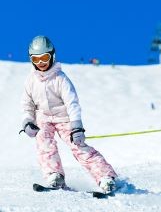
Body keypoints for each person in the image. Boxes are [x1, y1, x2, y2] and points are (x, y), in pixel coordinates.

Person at [20, 35, 118, 193]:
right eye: (36, 59)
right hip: (43, 118)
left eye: (44, 58)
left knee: (78, 146)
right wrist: (27, 122)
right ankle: (54, 175)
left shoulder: (60, 79)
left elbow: (72, 103)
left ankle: (105, 177)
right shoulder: (31, 80)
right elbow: (27, 104)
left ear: (52, 55)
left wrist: (77, 127)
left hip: (64, 118)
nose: (41, 63)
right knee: (43, 143)